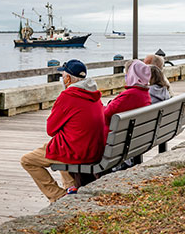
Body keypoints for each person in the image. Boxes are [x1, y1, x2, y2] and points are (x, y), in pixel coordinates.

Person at [20, 59, 105, 202]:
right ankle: (70, 187)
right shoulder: (94, 94)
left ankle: (57, 196)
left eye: (63, 76)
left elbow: (51, 129)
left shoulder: (68, 96)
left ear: (67, 79)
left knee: (27, 160)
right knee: (61, 141)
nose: (62, 79)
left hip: (78, 151)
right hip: (94, 148)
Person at [103, 60, 152, 136]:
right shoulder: (144, 94)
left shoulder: (131, 94)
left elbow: (106, 114)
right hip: (133, 137)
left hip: (115, 138)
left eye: (127, 74)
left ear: (132, 75)